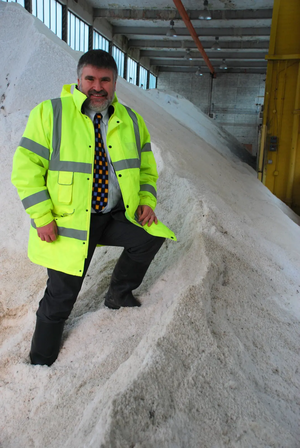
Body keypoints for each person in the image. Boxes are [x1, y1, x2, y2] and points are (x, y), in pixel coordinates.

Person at [11, 50, 176, 367]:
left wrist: (145, 202)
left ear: (115, 83)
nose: (97, 87)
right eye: (90, 79)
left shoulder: (130, 119)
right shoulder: (50, 113)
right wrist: (42, 216)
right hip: (70, 224)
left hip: (115, 215)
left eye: (105, 80)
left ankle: (118, 294)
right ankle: (41, 360)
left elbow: (145, 170)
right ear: (78, 79)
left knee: (149, 237)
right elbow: (25, 169)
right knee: (60, 295)